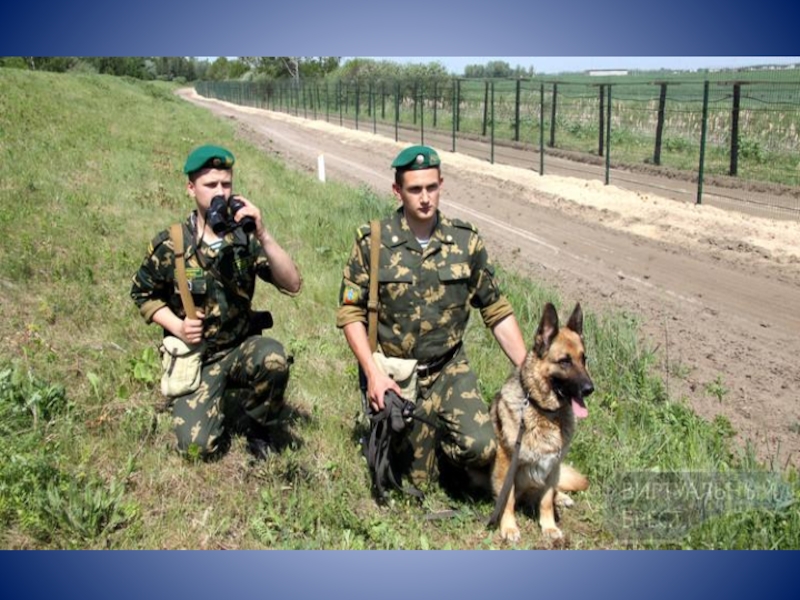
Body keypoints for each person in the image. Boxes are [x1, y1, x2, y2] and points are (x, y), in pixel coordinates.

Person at [336, 144, 527, 489]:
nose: (425, 198)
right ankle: (412, 443)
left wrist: (529, 371)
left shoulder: (465, 243)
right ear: (397, 191)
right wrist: (373, 374)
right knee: (412, 480)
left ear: (441, 184)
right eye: (414, 190)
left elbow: (496, 309)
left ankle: (441, 443)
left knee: (482, 448)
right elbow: (350, 313)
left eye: (431, 187)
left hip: (449, 369)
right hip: (396, 373)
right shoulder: (373, 242)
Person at [131, 144, 302, 460]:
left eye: (226, 184)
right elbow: (142, 294)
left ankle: (259, 429)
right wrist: (177, 327)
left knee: (274, 359)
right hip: (199, 356)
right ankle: (208, 401)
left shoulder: (244, 237)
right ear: (191, 188)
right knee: (196, 447)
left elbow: (292, 284)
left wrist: (263, 234)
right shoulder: (173, 244)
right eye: (210, 185)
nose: (220, 192)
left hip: (240, 346)